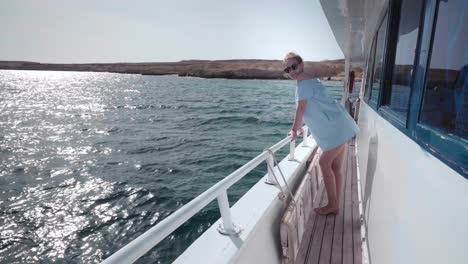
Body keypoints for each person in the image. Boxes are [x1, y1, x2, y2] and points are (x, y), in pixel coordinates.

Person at [284, 52, 360, 215]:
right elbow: (313, 109)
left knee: (324, 163)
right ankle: (335, 204)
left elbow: (301, 108)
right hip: (341, 125)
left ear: (302, 65)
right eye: (287, 69)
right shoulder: (310, 80)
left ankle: (332, 204)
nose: (291, 71)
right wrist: (301, 125)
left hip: (336, 129)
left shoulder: (304, 84)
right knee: (336, 166)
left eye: (294, 66)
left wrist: (294, 130)